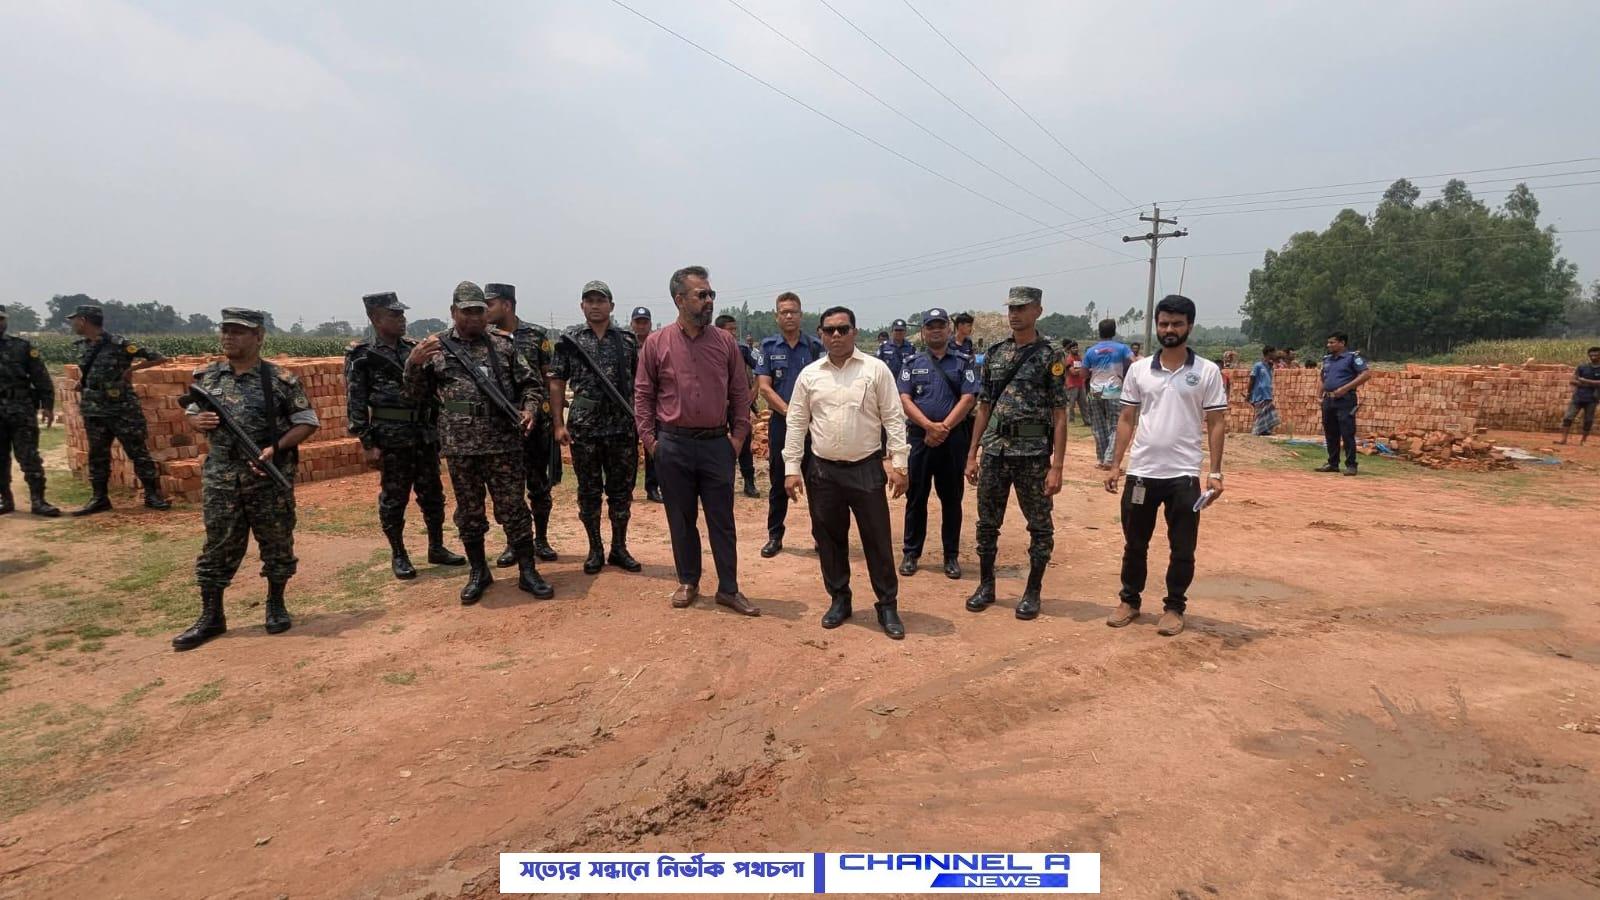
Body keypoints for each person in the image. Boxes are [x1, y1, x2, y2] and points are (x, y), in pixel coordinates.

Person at [172, 308, 320, 651]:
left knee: (277, 542)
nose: (229, 337)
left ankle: (276, 604)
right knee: (218, 545)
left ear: (258, 336)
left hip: (267, 475)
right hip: (222, 477)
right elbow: (191, 410)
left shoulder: (280, 379)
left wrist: (276, 448)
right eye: (225, 331)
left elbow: (307, 421)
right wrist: (196, 421)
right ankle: (211, 616)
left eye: (238, 332)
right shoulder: (207, 376)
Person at [404, 281, 552, 604]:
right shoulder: (435, 349)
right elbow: (415, 395)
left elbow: (531, 386)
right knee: (470, 514)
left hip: (503, 444)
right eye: (466, 311)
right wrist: (412, 364)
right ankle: (479, 572)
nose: (473, 317)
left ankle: (528, 571)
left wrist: (529, 411)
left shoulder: (503, 345)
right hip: (460, 446)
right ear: (453, 312)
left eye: (479, 311)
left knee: (514, 509)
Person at [635, 266, 759, 617]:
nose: (709, 300)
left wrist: (737, 439)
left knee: (722, 521)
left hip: (717, 445)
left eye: (710, 294)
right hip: (672, 445)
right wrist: (652, 442)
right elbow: (643, 396)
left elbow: (740, 393)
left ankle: (729, 589)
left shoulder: (725, 343)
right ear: (679, 299)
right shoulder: (656, 343)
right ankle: (688, 581)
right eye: (701, 295)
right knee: (681, 518)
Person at [1103, 295, 1228, 638]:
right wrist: (1115, 464)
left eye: (1176, 323)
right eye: (1163, 323)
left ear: (1189, 326)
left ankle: (1174, 607)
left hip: (1184, 476)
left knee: (1183, 547)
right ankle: (1129, 600)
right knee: (1134, 544)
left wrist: (1215, 473)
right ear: (1157, 326)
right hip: (1142, 473)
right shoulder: (1140, 370)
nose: (1169, 329)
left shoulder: (1207, 371)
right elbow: (1126, 418)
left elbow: (1216, 422)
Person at [784, 306, 909, 639]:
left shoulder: (875, 369)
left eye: (843, 329)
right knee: (829, 539)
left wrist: (899, 464)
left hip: (866, 468)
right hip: (823, 471)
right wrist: (791, 468)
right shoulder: (810, 375)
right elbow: (797, 423)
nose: (836, 335)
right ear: (821, 334)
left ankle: (887, 605)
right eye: (829, 330)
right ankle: (840, 598)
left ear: (854, 331)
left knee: (877, 539)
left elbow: (894, 417)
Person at [964, 286, 1068, 621]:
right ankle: (986, 586)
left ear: (1038, 310)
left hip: (1032, 455)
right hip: (995, 451)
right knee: (986, 524)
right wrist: (972, 453)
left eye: (1022, 308)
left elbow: (1060, 413)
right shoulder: (996, 353)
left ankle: (1033, 591)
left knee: (1039, 526)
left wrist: (1057, 466)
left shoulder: (1051, 354)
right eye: (1011, 308)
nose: (1014, 314)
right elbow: (984, 406)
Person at [346, 292, 464, 579]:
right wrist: (367, 442)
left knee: (433, 494)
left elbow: (433, 391)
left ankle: (436, 547)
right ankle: (399, 554)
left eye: (402, 314)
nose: (402, 319)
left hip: (423, 434)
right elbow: (356, 402)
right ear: (375, 318)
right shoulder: (363, 355)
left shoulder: (414, 349)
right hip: (391, 437)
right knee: (394, 498)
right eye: (394, 315)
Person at [551, 280, 643, 575]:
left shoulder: (627, 340)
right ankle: (595, 549)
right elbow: (557, 382)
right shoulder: (569, 340)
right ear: (582, 306)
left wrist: (643, 420)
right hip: (585, 428)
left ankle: (619, 548)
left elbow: (641, 383)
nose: (595, 306)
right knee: (589, 492)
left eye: (600, 301)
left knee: (621, 492)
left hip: (621, 428)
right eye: (589, 301)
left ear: (611, 306)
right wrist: (558, 424)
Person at [65, 304, 172, 514]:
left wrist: (132, 369)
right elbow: (92, 369)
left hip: (122, 408)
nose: (72, 324)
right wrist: (83, 381)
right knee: (97, 455)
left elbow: (159, 357)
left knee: (138, 452)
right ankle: (99, 498)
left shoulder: (119, 343)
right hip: (94, 408)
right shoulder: (82, 346)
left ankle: (152, 495)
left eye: (74, 320)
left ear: (84, 320)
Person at [898, 307, 978, 580]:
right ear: (923, 331)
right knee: (916, 497)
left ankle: (951, 556)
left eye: (940, 326)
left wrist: (943, 428)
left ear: (948, 329)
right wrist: (929, 426)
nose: (935, 330)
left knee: (952, 499)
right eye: (930, 326)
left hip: (952, 439)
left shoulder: (964, 362)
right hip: (920, 438)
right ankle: (911, 553)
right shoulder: (912, 363)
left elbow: (968, 398)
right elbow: (905, 399)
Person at [484, 283, 560, 566]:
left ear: (507, 304)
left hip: (536, 426)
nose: (485, 310)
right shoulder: (485, 338)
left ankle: (541, 539)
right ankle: (514, 543)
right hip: (502, 428)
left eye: (490, 304)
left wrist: (551, 419)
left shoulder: (536, 335)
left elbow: (549, 378)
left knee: (539, 486)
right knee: (507, 491)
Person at [754, 291, 824, 558]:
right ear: (777, 316)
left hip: (813, 427)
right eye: (784, 312)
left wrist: (805, 417)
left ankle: (821, 537)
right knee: (778, 481)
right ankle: (775, 536)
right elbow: (764, 387)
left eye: (793, 311)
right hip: (782, 425)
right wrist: (791, 414)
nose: (789, 316)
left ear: (801, 315)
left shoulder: (815, 347)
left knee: (817, 483)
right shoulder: (769, 347)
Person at [0, 305, 60, 516]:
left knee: (29, 457)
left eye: (1, 319)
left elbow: (41, 377)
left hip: (21, 410)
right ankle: (5, 500)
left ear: (5, 320)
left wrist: (48, 406)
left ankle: (38, 500)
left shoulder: (22, 347)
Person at [715, 314, 761, 498]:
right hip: (716, 406)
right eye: (730, 329)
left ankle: (749, 482)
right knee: (715, 443)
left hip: (738, 405)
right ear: (719, 330)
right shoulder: (709, 349)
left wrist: (753, 393)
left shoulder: (741, 349)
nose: (733, 333)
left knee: (744, 441)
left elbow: (761, 369)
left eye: (735, 329)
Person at [1081, 319, 1134, 468]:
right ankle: (1109, 459)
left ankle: (1101, 458)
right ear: (1114, 331)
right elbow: (1134, 363)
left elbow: (1083, 374)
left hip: (1095, 391)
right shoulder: (1122, 348)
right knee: (1115, 426)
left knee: (1098, 427)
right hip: (1114, 390)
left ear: (1099, 332)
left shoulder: (1091, 351)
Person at [1317, 331, 1370, 475]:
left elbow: (1366, 374)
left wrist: (1345, 388)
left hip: (1345, 399)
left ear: (1342, 343)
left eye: (1332, 342)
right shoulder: (1327, 359)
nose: (1328, 345)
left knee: (1347, 432)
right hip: (1328, 399)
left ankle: (1351, 465)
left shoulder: (1352, 358)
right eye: (1328, 342)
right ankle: (1332, 463)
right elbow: (1323, 378)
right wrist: (1319, 396)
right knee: (1330, 432)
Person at [630, 307, 662, 502]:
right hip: (629, 404)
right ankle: (628, 488)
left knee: (652, 446)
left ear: (650, 323)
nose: (641, 326)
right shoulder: (625, 345)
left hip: (652, 405)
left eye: (644, 322)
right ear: (632, 324)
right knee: (629, 449)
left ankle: (652, 487)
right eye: (638, 322)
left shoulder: (657, 344)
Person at [1557, 347, 1600, 445]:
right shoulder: (1582, 367)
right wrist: (1590, 383)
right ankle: (1563, 440)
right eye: (1591, 355)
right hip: (1578, 397)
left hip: (1593, 398)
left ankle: (1583, 441)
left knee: (1588, 420)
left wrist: (1584, 381)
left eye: (1596, 355)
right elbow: (1572, 380)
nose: (1593, 357)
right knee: (1568, 417)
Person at [1248, 345, 1280, 436]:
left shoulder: (1270, 366)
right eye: (1274, 352)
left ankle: (1265, 431)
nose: (1275, 354)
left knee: (1268, 415)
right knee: (1260, 414)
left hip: (1267, 394)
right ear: (1269, 353)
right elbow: (1252, 379)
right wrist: (1249, 393)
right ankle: (1256, 432)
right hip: (1259, 394)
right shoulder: (1258, 365)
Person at [1062, 339, 1090, 425]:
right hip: (1071, 384)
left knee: (1083, 403)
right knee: (1071, 404)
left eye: (1076, 347)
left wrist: (1080, 370)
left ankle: (1087, 421)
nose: (1076, 349)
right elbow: (1073, 372)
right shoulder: (1068, 359)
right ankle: (1071, 421)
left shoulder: (1079, 358)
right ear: (1070, 349)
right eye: (1073, 348)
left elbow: (1080, 370)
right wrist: (1082, 369)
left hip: (1081, 383)